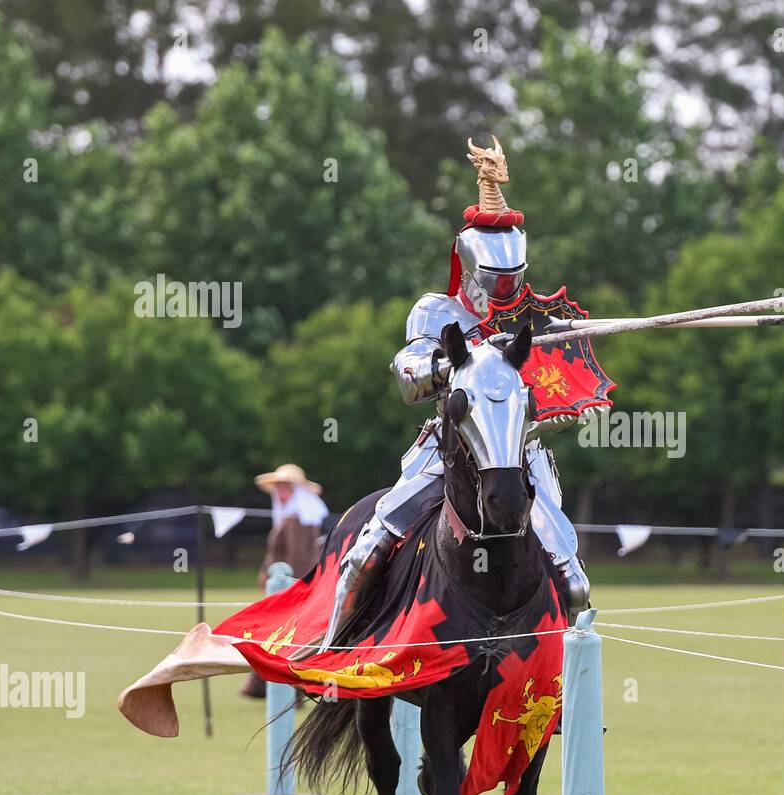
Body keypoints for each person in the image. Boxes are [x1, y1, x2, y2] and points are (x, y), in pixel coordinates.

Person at [319, 135, 589, 652]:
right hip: (448, 452)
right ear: (471, 267)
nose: (507, 289)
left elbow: (554, 395)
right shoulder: (436, 312)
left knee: (574, 580)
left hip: (518, 454)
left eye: (515, 279)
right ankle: (333, 655)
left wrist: (559, 340)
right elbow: (406, 374)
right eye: (497, 278)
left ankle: (566, 691)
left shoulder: (532, 320)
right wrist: (446, 361)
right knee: (370, 548)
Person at [241, 462, 329, 698]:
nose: (280, 491)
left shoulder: (297, 520)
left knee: (286, 637)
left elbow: (299, 558)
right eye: (278, 486)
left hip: (290, 585)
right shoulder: (292, 515)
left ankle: (286, 689)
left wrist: (289, 587)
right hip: (283, 583)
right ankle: (262, 686)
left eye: (285, 486)